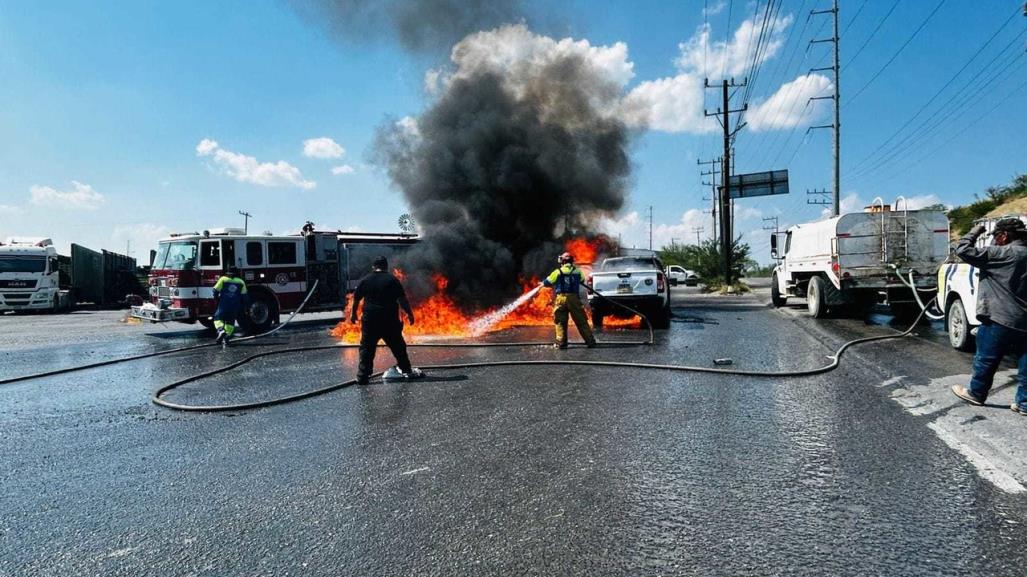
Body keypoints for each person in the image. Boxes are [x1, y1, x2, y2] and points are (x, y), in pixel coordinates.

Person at [950, 218, 1027, 415]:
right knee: (1026, 362)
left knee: (986, 358)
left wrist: (976, 230)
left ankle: (976, 393)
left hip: (998, 317)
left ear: (1003, 236)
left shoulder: (1001, 254)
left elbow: (962, 249)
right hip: (1024, 321)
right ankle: (1024, 403)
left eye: (996, 237)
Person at [349, 256, 422, 385]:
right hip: (389, 320)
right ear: (386, 266)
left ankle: (362, 376)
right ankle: (406, 370)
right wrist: (410, 314)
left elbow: (356, 299)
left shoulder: (365, 280)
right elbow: (402, 299)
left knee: (367, 348)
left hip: (370, 320)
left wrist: (353, 314)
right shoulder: (392, 280)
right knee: (398, 346)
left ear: (373, 266)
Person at [542, 252, 597, 349]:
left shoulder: (557, 271)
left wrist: (544, 282)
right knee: (581, 321)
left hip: (561, 299)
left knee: (560, 321)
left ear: (562, 261)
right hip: (574, 298)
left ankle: (561, 343)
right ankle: (590, 342)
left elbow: (547, 282)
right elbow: (581, 280)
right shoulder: (578, 271)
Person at [212, 266, 248, 344]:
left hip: (224, 304)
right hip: (235, 306)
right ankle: (227, 336)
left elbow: (215, 290)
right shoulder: (241, 282)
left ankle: (221, 330)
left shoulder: (223, 279)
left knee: (218, 318)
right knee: (230, 321)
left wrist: (216, 298)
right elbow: (244, 296)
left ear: (228, 273)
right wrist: (244, 307)